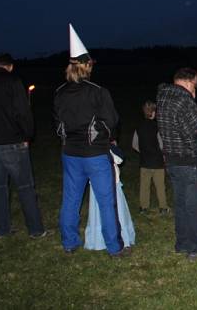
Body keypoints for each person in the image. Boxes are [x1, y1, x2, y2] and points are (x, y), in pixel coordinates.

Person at [54, 24, 128, 257]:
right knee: (107, 202)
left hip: (70, 155)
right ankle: (114, 247)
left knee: (71, 200)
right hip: (95, 155)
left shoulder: (59, 93)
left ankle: (69, 243)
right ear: (86, 66)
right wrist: (103, 138)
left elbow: (58, 125)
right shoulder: (97, 91)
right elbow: (112, 120)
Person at [0, 53, 47, 238]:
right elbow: (23, 111)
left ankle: (2, 229)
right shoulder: (14, 81)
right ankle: (36, 229)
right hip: (13, 142)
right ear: (10, 66)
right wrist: (28, 135)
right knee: (25, 186)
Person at [157, 67, 197, 260]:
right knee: (195, 207)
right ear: (189, 82)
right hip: (191, 162)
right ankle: (196, 248)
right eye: (195, 85)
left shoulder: (162, 97)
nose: (195, 90)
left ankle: (182, 243)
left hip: (172, 160)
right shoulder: (184, 99)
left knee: (181, 204)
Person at [85, 145, 135, 251]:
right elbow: (119, 159)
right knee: (115, 212)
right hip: (109, 184)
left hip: (98, 183)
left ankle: (100, 239)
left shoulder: (86, 147)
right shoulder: (106, 147)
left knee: (100, 211)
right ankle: (118, 238)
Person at [132, 101, 168, 215]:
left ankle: (143, 207)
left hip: (144, 161)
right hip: (157, 162)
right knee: (160, 186)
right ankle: (163, 207)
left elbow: (134, 144)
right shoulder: (157, 127)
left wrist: (143, 151)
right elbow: (161, 144)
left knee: (144, 186)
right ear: (153, 113)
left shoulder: (138, 127)